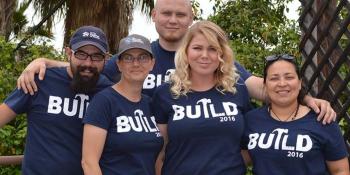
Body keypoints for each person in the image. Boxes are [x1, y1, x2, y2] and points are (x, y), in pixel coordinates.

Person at [16, 0, 335, 122]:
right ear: (154, 16)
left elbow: (265, 89)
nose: (172, 20)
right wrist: (42, 60)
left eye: (180, 14)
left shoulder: (211, 61)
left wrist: (308, 98)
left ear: (190, 17)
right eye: (166, 13)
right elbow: (91, 65)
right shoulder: (135, 60)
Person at [0, 26, 112, 175]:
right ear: (68, 53)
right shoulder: (39, 80)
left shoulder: (109, 91)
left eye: (96, 56)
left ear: (106, 59)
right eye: (81, 54)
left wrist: (45, 60)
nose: (88, 63)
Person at [152, 20, 251, 175]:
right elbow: (159, 152)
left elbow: (247, 146)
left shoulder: (237, 90)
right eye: (197, 48)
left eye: (212, 49)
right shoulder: (166, 93)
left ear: (222, 54)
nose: (205, 55)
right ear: (186, 51)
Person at [241, 54, 349, 175]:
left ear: (299, 83)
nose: (282, 83)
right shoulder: (251, 120)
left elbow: (340, 171)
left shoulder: (322, 119)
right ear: (265, 85)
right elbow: (237, 159)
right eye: (274, 78)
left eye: (289, 77)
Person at [81, 34, 163, 175]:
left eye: (143, 57)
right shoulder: (104, 101)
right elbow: (89, 163)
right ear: (118, 64)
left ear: (152, 63)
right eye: (128, 58)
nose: (136, 64)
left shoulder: (150, 104)